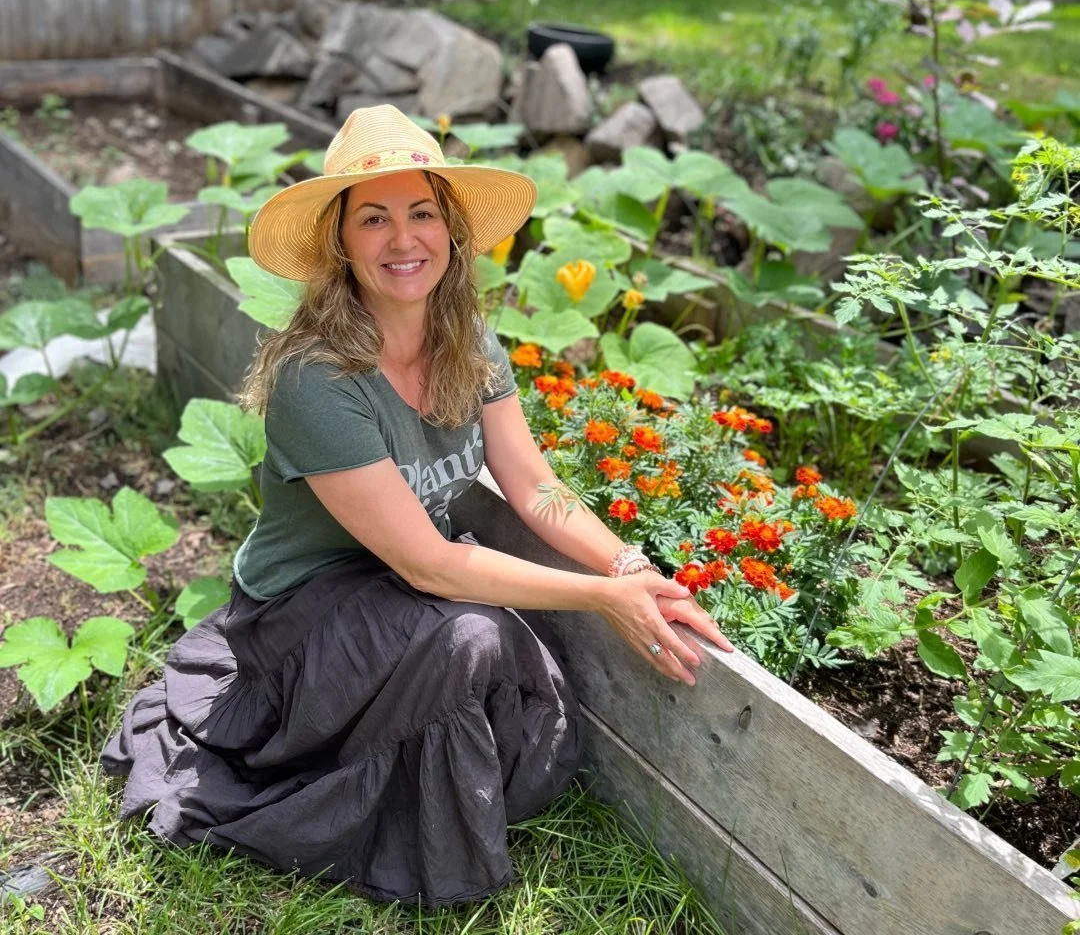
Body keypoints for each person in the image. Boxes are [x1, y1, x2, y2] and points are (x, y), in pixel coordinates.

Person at [101, 105, 734, 906]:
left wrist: (632, 567)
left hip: (398, 591)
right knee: (472, 635)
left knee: (482, 631)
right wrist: (602, 598)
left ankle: (412, 769)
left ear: (451, 230)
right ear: (341, 243)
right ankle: (374, 804)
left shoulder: (469, 343)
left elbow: (534, 484)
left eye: (421, 213)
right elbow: (426, 561)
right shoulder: (319, 380)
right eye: (374, 219)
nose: (404, 241)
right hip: (300, 615)